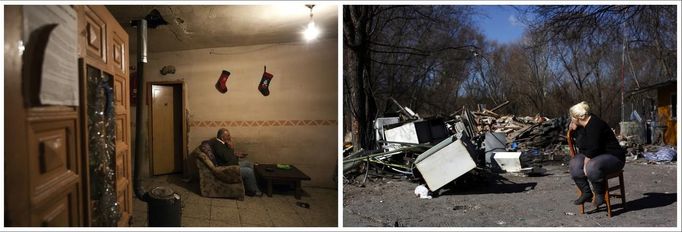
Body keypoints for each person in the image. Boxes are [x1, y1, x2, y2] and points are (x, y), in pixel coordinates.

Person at [568, 101, 626, 208]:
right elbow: (581, 145)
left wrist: (585, 164)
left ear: (577, 117)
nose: (571, 119)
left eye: (572, 117)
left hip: (613, 157)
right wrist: (575, 130)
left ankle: (600, 194)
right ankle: (586, 192)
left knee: (592, 166)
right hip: (596, 156)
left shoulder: (596, 124)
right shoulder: (582, 125)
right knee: (574, 164)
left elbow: (593, 148)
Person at [209, 128, 262, 196]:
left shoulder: (222, 143)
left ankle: (251, 185)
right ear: (222, 137)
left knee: (249, 163)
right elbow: (226, 158)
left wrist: (236, 155)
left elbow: (227, 154)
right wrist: (231, 147)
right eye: (227, 135)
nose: (229, 137)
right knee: (248, 171)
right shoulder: (217, 145)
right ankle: (254, 191)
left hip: (232, 163)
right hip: (227, 168)